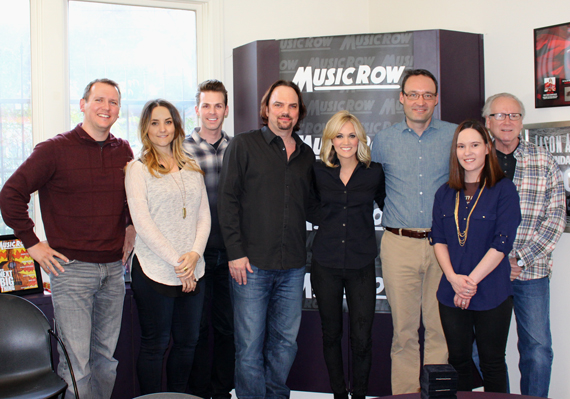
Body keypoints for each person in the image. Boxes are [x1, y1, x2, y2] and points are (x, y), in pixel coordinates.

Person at [0, 78, 134, 399]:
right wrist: (33, 244)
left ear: (118, 110)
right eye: (99, 100)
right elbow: (10, 195)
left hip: (114, 272)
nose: (106, 107)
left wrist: (129, 227)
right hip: (71, 272)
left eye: (113, 102)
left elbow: (131, 199)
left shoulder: (124, 151)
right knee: (77, 366)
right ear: (83, 104)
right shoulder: (55, 150)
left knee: (106, 361)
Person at [218, 80, 315, 399]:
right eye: (278, 105)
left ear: (298, 113)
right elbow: (227, 201)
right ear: (266, 108)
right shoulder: (244, 145)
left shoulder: (305, 154)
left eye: (292, 106)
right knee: (248, 346)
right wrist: (235, 252)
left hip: (293, 267)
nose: (285, 112)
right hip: (251, 265)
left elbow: (313, 207)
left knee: (286, 343)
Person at [370, 68, 455, 394]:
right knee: (403, 332)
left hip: (443, 245)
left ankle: (437, 394)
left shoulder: (453, 136)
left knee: (439, 329)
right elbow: (376, 188)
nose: (421, 101)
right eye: (414, 94)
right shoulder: (385, 140)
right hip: (398, 243)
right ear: (402, 98)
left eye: (428, 95)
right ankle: (405, 394)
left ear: (436, 99)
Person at [483, 93, 566, 398]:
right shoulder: (476, 159)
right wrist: (495, 262)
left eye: (514, 115)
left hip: (531, 272)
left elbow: (556, 216)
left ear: (522, 121)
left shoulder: (543, 159)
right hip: (486, 273)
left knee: (538, 349)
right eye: (500, 116)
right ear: (487, 121)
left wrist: (519, 259)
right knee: (485, 352)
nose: (507, 122)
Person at [125, 99, 211, 394]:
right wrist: (179, 262)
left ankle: (177, 395)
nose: (162, 129)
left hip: (193, 270)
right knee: (155, 345)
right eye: (154, 123)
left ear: (176, 125)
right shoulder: (137, 170)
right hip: (154, 271)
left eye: (168, 122)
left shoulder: (191, 164)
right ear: (145, 129)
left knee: (188, 343)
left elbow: (204, 216)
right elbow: (143, 224)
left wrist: (194, 256)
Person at [431, 119, 521, 392]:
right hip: (451, 292)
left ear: (487, 149)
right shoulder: (445, 193)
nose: (467, 152)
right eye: (461, 146)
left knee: (492, 363)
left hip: (491, 291)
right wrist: (454, 280)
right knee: (458, 361)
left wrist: (469, 284)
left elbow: (502, 243)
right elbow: (438, 240)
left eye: (474, 145)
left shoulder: (504, 190)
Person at [310, 110, 385, 399]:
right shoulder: (317, 171)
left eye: (351, 135)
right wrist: (329, 221)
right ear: (330, 139)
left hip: (361, 264)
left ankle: (360, 395)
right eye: (339, 135)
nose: (346, 141)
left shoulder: (374, 171)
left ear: (360, 139)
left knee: (362, 338)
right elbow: (307, 204)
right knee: (331, 336)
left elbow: (388, 203)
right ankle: (339, 394)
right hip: (325, 263)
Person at [184, 80, 234, 399]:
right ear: (197, 109)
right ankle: (198, 392)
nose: (212, 112)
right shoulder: (181, 149)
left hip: (231, 254)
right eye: (206, 105)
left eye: (218, 105)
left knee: (227, 328)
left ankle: (222, 390)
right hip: (195, 254)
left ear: (226, 110)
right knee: (197, 330)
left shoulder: (239, 148)